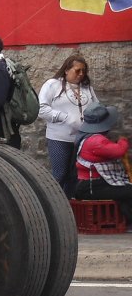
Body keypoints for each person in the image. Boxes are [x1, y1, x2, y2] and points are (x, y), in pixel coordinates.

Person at [39, 54, 98, 197]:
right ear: (66, 70)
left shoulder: (86, 88)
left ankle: (70, 206)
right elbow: (41, 109)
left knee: (75, 175)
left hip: (83, 139)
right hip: (60, 138)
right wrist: (65, 117)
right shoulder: (53, 84)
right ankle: (55, 205)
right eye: (77, 70)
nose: (81, 74)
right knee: (60, 174)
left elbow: (97, 107)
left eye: (84, 71)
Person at [74, 103, 132, 230]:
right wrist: (123, 141)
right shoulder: (96, 141)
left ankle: (126, 220)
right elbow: (118, 151)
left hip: (95, 184)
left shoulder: (88, 138)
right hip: (90, 187)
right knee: (128, 191)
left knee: (124, 191)